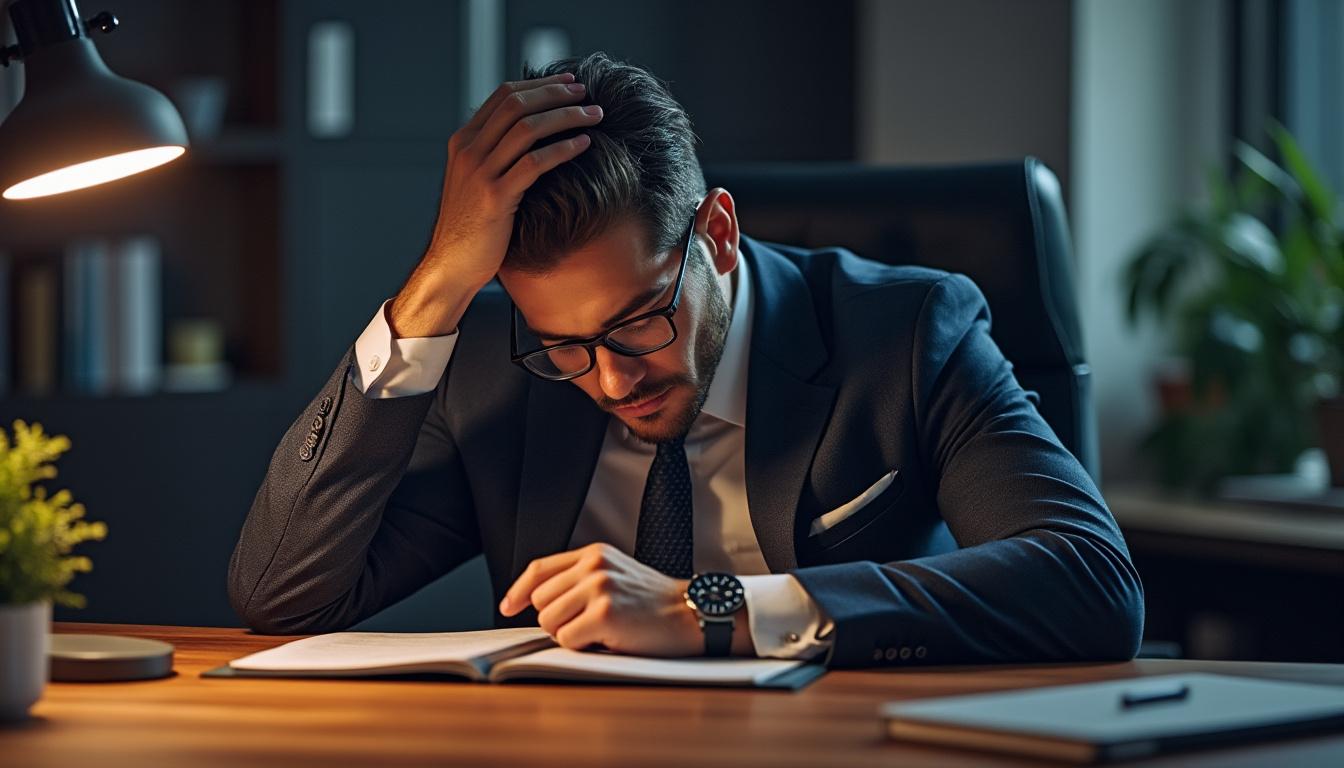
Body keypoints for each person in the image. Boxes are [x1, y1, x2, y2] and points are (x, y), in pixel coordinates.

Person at [227, 52, 1144, 667]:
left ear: (717, 232)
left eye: (638, 323)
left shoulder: (906, 335)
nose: (613, 381)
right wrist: (432, 292)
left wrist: (720, 607)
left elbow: (1089, 582)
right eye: (567, 348)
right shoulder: (491, 366)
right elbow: (284, 596)